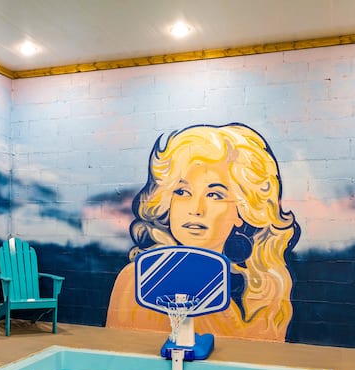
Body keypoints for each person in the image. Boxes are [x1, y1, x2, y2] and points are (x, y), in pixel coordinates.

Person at [106, 123, 299, 341]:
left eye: (214, 195)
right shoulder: (139, 280)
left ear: (242, 211)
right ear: (167, 202)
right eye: (182, 192)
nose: (196, 209)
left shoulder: (266, 289)